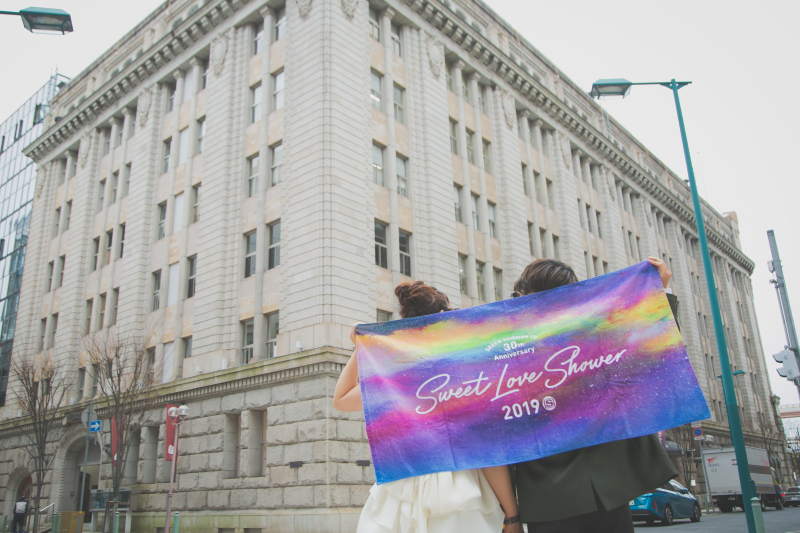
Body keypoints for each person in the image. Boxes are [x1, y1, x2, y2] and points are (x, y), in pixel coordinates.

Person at [334, 280, 522, 533]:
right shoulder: (465, 375)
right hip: (459, 491)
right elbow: (486, 450)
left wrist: (362, 347)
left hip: (400, 493)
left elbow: (341, 399)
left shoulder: (396, 376)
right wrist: (511, 515)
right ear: (444, 318)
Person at [510, 257, 680, 533]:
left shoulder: (592, 336)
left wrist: (658, 294)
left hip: (596, 492)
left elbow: (652, 354)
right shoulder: (508, 347)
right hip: (569, 495)